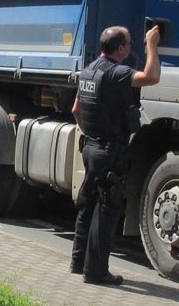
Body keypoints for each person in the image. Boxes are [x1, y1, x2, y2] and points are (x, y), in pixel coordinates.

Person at [70, 24, 161, 285]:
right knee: (106, 211)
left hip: (90, 148)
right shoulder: (117, 73)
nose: (131, 48)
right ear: (120, 49)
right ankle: (96, 272)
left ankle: (78, 262)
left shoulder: (88, 71)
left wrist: (91, 135)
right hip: (108, 151)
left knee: (87, 207)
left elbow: (76, 109)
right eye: (130, 44)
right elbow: (151, 77)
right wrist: (152, 45)